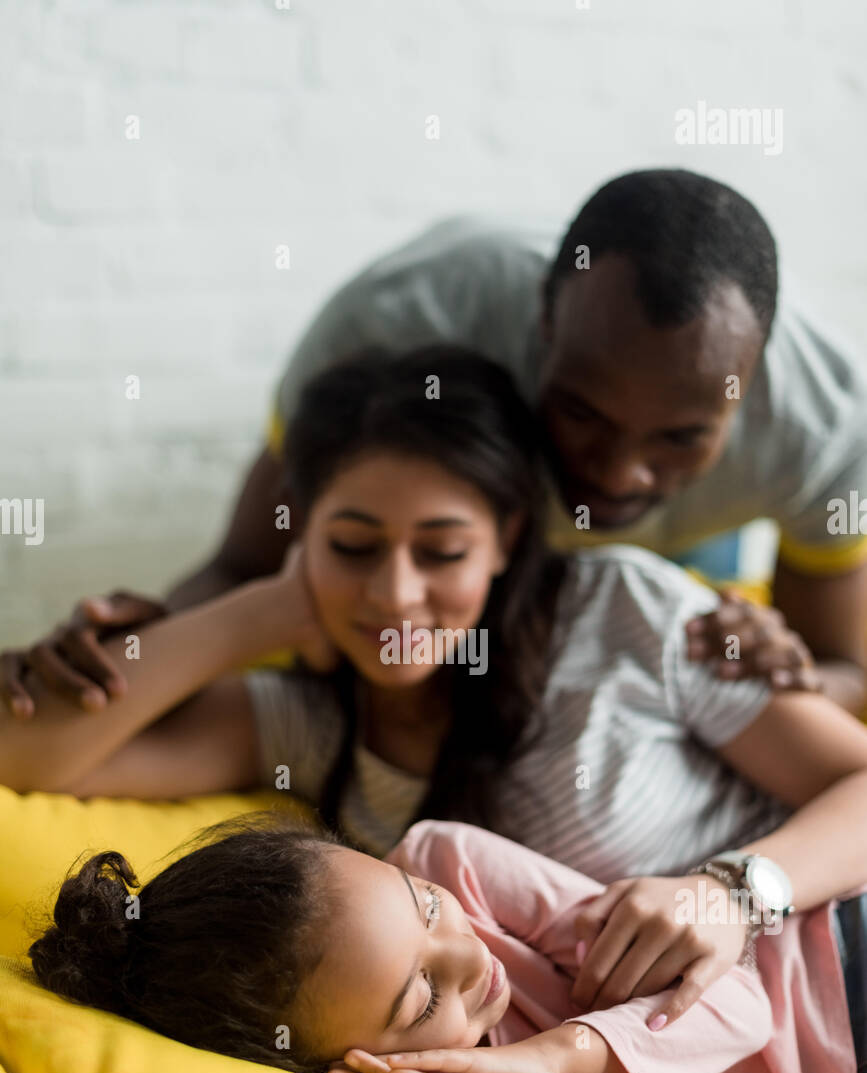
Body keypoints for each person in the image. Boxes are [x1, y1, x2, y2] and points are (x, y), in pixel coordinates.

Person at [3, 346, 867, 1032]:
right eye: (352, 546)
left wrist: (730, 891)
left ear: (506, 539)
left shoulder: (622, 612)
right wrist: (266, 608)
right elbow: (24, 755)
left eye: (442, 552)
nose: (395, 594)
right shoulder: (308, 725)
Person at [4, 169, 867, 716]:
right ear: (540, 323)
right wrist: (116, 658)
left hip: (691, 556)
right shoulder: (395, 324)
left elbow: (846, 672)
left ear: (751, 388)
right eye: (582, 414)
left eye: (680, 436)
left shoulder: (826, 426)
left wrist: (787, 670)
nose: (617, 471)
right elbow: (243, 568)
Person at [27, 813, 859, 1073]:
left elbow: (740, 1002)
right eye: (422, 999)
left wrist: (556, 1056)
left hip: (834, 959)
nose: (469, 955)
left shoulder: (449, 863)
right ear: (353, 1068)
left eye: (425, 910)